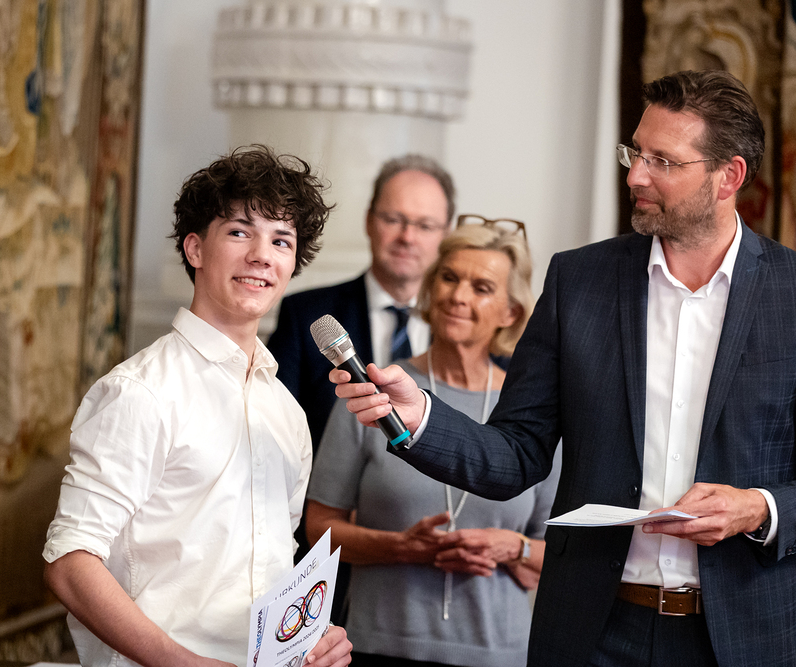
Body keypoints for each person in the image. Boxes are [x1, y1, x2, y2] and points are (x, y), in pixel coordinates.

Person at [331, 69, 796, 667]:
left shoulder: (790, 293)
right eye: (635, 152)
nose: (635, 175)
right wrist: (419, 416)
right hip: (593, 634)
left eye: (662, 161)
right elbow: (516, 452)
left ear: (728, 176)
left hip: (744, 639)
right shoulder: (579, 281)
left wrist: (759, 509)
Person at [42, 146, 353, 667]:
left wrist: (308, 639)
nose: (262, 256)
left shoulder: (286, 409)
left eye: (281, 240)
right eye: (240, 232)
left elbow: (269, 563)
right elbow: (69, 562)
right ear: (195, 249)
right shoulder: (140, 391)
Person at [306, 223, 559, 667]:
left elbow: (560, 555)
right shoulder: (376, 391)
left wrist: (513, 547)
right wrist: (399, 547)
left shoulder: (534, 409)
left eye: (481, 287)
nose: (458, 296)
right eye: (449, 278)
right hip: (378, 646)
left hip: (499, 654)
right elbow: (319, 529)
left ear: (511, 312)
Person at [268, 154, 455, 452]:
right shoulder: (305, 315)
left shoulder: (465, 324)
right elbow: (277, 429)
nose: (407, 237)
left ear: (446, 235)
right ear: (369, 220)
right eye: (393, 220)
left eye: (425, 225)